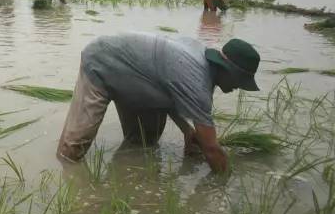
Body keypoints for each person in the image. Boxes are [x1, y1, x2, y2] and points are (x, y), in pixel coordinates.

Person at [57, 32, 261, 173]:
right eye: (239, 81)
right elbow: (211, 149)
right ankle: (67, 182)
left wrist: (186, 130)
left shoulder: (199, 59)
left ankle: (126, 178)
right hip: (101, 62)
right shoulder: (196, 79)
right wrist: (225, 182)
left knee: (144, 141)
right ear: (225, 69)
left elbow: (171, 90)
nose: (238, 87)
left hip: (138, 80)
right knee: (72, 152)